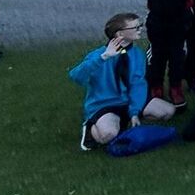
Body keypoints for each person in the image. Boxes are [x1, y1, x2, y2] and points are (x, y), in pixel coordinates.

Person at [71, 13, 177, 151]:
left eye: (140, 26)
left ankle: (125, 121)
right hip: (105, 103)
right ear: (120, 33)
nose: (140, 29)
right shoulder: (99, 55)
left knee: (168, 111)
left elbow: (138, 84)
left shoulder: (137, 54)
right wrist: (103, 58)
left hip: (127, 100)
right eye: (135, 27)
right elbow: (76, 76)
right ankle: (91, 128)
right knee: (108, 134)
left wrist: (134, 111)